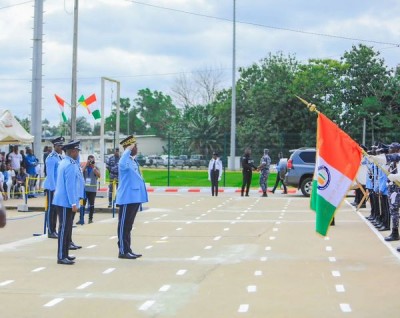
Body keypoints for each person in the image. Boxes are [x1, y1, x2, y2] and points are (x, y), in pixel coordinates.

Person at [116, 135, 148, 259]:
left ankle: (127, 249)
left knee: (128, 226)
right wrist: (128, 149)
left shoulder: (132, 160)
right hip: (126, 198)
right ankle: (122, 251)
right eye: (134, 146)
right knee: (123, 225)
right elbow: (122, 163)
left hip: (134, 197)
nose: (136, 148)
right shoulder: (124, 160)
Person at [53, 140, 84, 265]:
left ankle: (65, 254)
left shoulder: (65, 162)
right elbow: (70, 186)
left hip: (63, 200)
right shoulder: (70, 165)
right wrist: (73, 203)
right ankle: (61, 256)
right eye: (76, 150)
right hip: (66, 201)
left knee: (66, 229)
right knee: (64, 229)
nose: (77, 153)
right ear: (72, 151)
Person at [43, 137, 65, 238]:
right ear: (54, 146)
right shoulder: (51, 157)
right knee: (51, 208)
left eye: (61, 145)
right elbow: (50, 175)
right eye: (59, 145)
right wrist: (54, 189)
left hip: (57, 187)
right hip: (52, 187)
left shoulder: (59, 157)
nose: (61, 147)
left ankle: (54, 229)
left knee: (56, 209)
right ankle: (50, 230)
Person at [79, 155, 100, 224]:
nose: (91, 162)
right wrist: (86, 165)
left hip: (92, 190)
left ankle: (90, 219)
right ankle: (81, 219)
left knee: (91, 205)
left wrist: (93, 167)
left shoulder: (95, 168)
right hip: (85, 189)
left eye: (92, 160)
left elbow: (99, 175)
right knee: (82, 204)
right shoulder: (85, 168)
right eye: (90, 160)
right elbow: (80, 173)